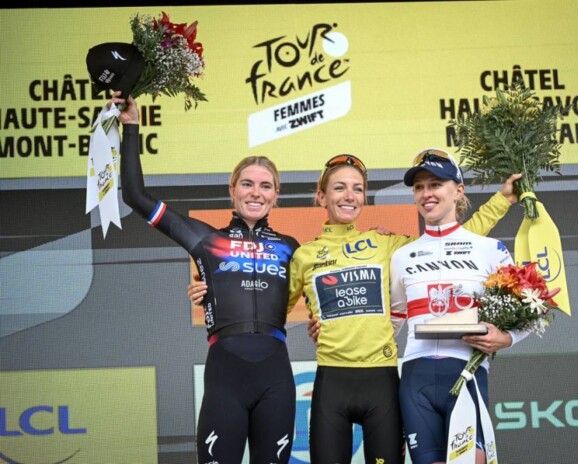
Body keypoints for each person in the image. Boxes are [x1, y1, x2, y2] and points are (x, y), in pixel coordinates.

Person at [188, 153, 521, 462]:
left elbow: (452, 242)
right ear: (321, 196)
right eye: (339, 188)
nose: (349, 196)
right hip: (332, 382)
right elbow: (266, 307)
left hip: (382, 382)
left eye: (357, 189)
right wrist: (215, 291)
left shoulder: (386, 243)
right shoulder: (303, 255)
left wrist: (502, 200)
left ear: (364, 197)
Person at [113, 92, 299, 464]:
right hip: (226, 375)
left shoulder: (292, 247)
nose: (256, 192)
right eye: (247, 183)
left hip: (276, 376)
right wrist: (131, 127)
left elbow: (329, 291)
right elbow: (135, 196)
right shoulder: (205, 239)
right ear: (232, 190)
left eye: (265, 186)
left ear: (276, 195)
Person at [390, 149, 529, 464]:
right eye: (419, 187)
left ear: (458, 190)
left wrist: (506, 338)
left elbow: (531, 309)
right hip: (415, 378)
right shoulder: (402, 256)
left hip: (466, 372)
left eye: (435, 184)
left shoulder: (489, 249)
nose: (426, 193)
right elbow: (392, 321)